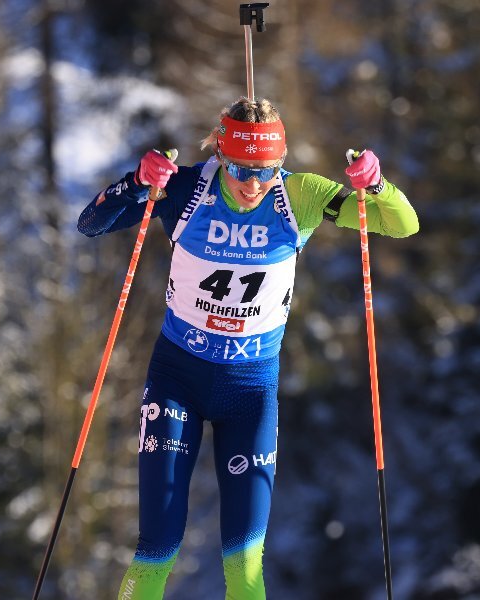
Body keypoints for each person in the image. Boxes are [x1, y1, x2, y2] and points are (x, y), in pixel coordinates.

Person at [77, 97, 419, 600]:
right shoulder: (187, 186)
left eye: (266, 170)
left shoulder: (299, 194)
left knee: (244, 562)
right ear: (220, 151)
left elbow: (401, 223)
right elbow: (92, 223)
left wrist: (377, 186)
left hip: (251, 390)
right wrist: (135, 182)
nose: (253, 183)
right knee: (158, 546)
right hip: (178, 379)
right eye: (240, 168)